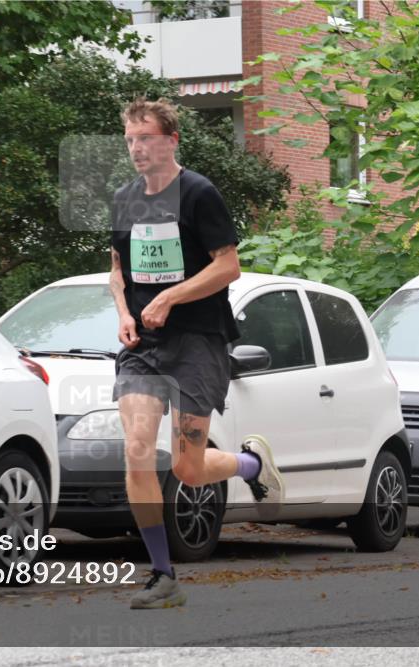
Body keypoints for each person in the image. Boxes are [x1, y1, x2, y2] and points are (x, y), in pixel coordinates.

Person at [108, 98, 286, 610]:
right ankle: (163, 575)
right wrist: (123, 312)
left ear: (171, 141)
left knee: (187, 469)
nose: (137, 148)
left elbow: (228, 267)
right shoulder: (125, 199)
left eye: (146, 138)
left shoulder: (199, 193)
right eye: (130, 139)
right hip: (143, 346)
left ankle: (250, 464)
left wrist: (170, 297)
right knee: (137, 452)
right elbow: (117, 269)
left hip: (198, 341)